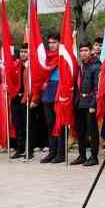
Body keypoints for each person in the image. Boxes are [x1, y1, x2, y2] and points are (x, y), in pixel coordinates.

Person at [73, 42, 100, 164]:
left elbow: (97, 88)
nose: (83, 53)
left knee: (92, 131)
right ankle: (82, 155)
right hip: (80, 103)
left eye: (86, 50)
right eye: (81, 51)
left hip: (90, 103)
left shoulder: (96, 66)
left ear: (91, 51)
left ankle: (94, 157)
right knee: (81, 131)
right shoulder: (81, 66)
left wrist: (93, 104)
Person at [39, 34, 63, 163]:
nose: (52, 45)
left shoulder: (63, 56)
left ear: (59, 43)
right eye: (50, 42)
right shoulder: (46, 58)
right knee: (50, 124)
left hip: (60, 92)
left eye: (54, 42)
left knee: (60, 124)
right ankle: (52, 151)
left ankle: (60, 153)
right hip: (48, 92)